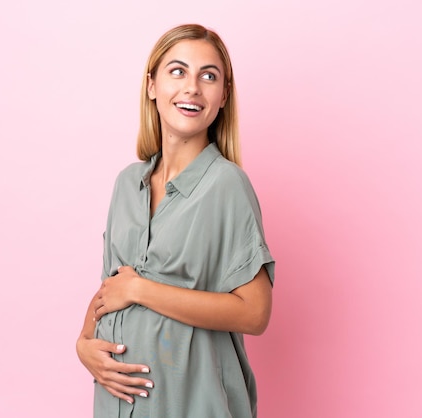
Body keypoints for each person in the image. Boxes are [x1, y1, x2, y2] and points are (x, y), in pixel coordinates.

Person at [76, 23, 275, 418]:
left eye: (209, 76)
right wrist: (83, 343)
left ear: (223, 96)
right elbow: (111, 288)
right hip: (118, 405)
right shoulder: (126, 185)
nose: (193, 88)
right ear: (152, 85)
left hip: (192, 403)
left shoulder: (227, 186)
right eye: (178, 71)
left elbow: (255, 313)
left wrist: (141, 291)